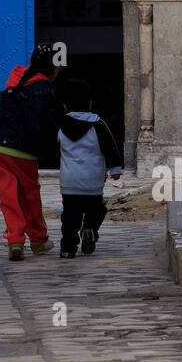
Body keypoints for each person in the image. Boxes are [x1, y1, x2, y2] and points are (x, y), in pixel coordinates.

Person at [0, 45, 61, 260]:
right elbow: (38, 126)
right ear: (53, 69)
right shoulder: (43, 90)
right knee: (29, 195)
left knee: (9, 195)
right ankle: (38, 240)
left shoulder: (17, 82)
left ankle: (15, 240)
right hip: (21, 150)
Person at [54, 77, 122, 258]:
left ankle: (67, 248)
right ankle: (89, 229)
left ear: (65, 106)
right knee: (97, 209)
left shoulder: (60, 125)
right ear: (90, 103)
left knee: (69, 217)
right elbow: (110, 147)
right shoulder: (98, 125)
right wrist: (115, 169)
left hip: (69, 182)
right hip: (92, 182)